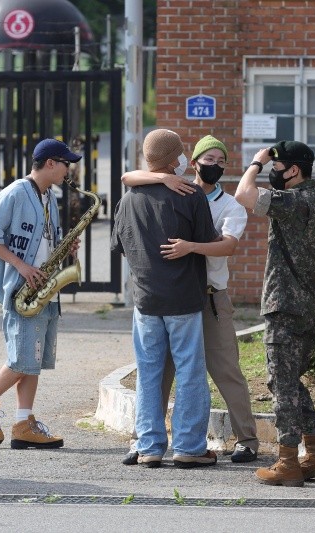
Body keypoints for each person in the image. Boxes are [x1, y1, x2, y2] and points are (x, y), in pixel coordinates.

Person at [120, 134, 259, 464]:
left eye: (221, 161)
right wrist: (162, 178)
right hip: (182, 299)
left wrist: (190, 247)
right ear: (189, 162)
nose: (216, 166)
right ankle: (168, 444)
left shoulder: (226, 204)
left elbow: (226, 245)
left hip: (202, 298)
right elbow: (130, 177)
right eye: (208, 159)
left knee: (221, 369)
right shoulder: (187, 194)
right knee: (178, 372)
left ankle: (246, 439)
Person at [111, 129, 220, 468]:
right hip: (184, 297)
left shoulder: (129, 197)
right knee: (189, 370)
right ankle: (188, 446)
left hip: (145, 298)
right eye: (182, 153)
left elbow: (119, 246)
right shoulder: (190, 195)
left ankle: (149, 446)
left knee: (148, 373)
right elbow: (207, 242)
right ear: (174, 160)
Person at [0, 138, 81, 450]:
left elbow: (45, 241)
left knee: (33, 360)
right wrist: (21, 266)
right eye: (65, 163)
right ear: (50, 163)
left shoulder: (49, 197)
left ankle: (23, 422)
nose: (68, 170)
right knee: (20, 358)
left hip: (43, 290)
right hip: (23, 289)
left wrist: (66, 248)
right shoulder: (16, 192)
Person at [234, 141, 315, 487]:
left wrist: (256, 163)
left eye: (279, 167)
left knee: (282, 384)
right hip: (307, 304)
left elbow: (244, 196)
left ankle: (288, 461)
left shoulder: (293, 201)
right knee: (289, 381)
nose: (274, 172)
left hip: (284, 304)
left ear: (292, 171)